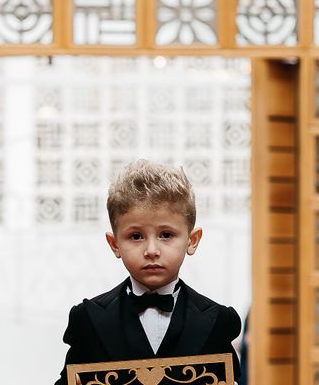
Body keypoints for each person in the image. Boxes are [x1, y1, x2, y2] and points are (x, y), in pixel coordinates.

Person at [55, 159, 241, 385]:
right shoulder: (87, 319)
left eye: (166, 235)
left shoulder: (219, 321)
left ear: (192, 241)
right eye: (136, 236)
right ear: (114, 244)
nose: (151, 251)